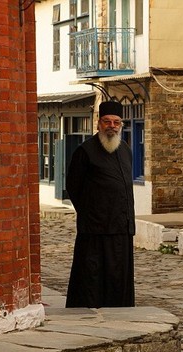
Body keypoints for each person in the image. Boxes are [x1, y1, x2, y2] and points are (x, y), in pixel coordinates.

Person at [65, 100, 135, 308]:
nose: (111, 126)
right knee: (93, 276)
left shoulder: (125, 150)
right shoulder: (85, 151)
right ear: (98, 124)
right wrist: (93, 213)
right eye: (107, 122)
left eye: (116, 122)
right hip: (95, 230)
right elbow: (73, 187)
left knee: (118, 276)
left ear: (121, 124)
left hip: (122, 228)